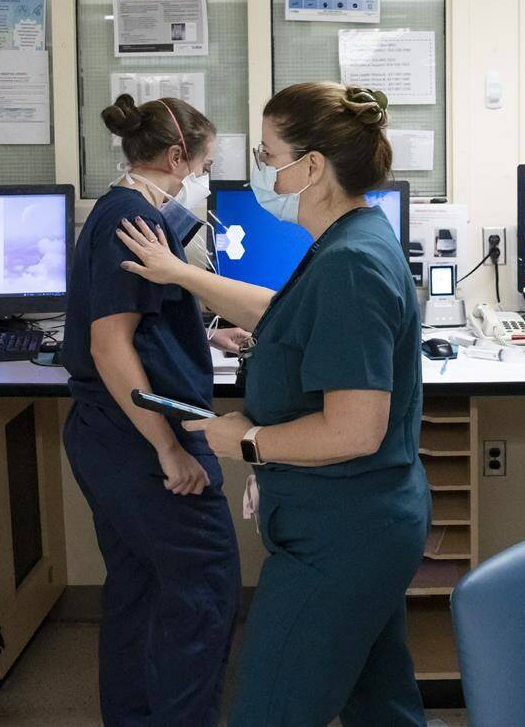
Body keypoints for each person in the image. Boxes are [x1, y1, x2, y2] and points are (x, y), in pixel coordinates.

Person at [116, 83, 430, 727]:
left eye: (267, 154)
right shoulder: (351, 241)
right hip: (364, 520)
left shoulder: (352, 265)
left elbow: (355, 428)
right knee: (381, 706)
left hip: (342, 533)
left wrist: (249, 441)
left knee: (270, 707)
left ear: (311, 166)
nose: (258, 170)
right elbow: (283, 314)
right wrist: (181, 275)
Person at [61, 94, 243, 726]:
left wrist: (203, 328)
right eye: (205, 165)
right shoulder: (137, 221)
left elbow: (140, 320)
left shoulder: (121, 210)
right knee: (204, 587)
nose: (204, 180)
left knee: (139, 591)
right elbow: (109, 344)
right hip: (139, 442)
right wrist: (169, 449)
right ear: (176, 157)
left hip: (106, 435)